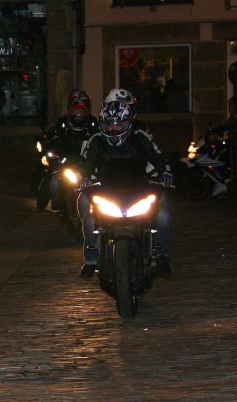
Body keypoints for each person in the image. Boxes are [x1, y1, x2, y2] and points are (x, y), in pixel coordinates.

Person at [77, 88, 173, 278]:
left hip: (138, 185)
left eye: (119, 125)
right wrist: (84, 177)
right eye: (108, 125)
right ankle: (91, 258)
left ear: (128, 123)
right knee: (86, 208)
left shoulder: (140, 135)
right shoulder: (96, 139)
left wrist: (166, 172)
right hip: (106, 187)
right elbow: (87, 160)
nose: (113, 129)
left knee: (162, 211)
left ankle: (162, 256)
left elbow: (156, 155)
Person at [47, 89, 98, 210]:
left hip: (84, 160)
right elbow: (55, 139)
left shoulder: (93, 123)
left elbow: (98, 140)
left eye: (82, 103)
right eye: (75, 103)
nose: (79, 107)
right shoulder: (63, 122)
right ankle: (56, 205)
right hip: (66, 159)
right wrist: (53, 153)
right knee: (54, 180)